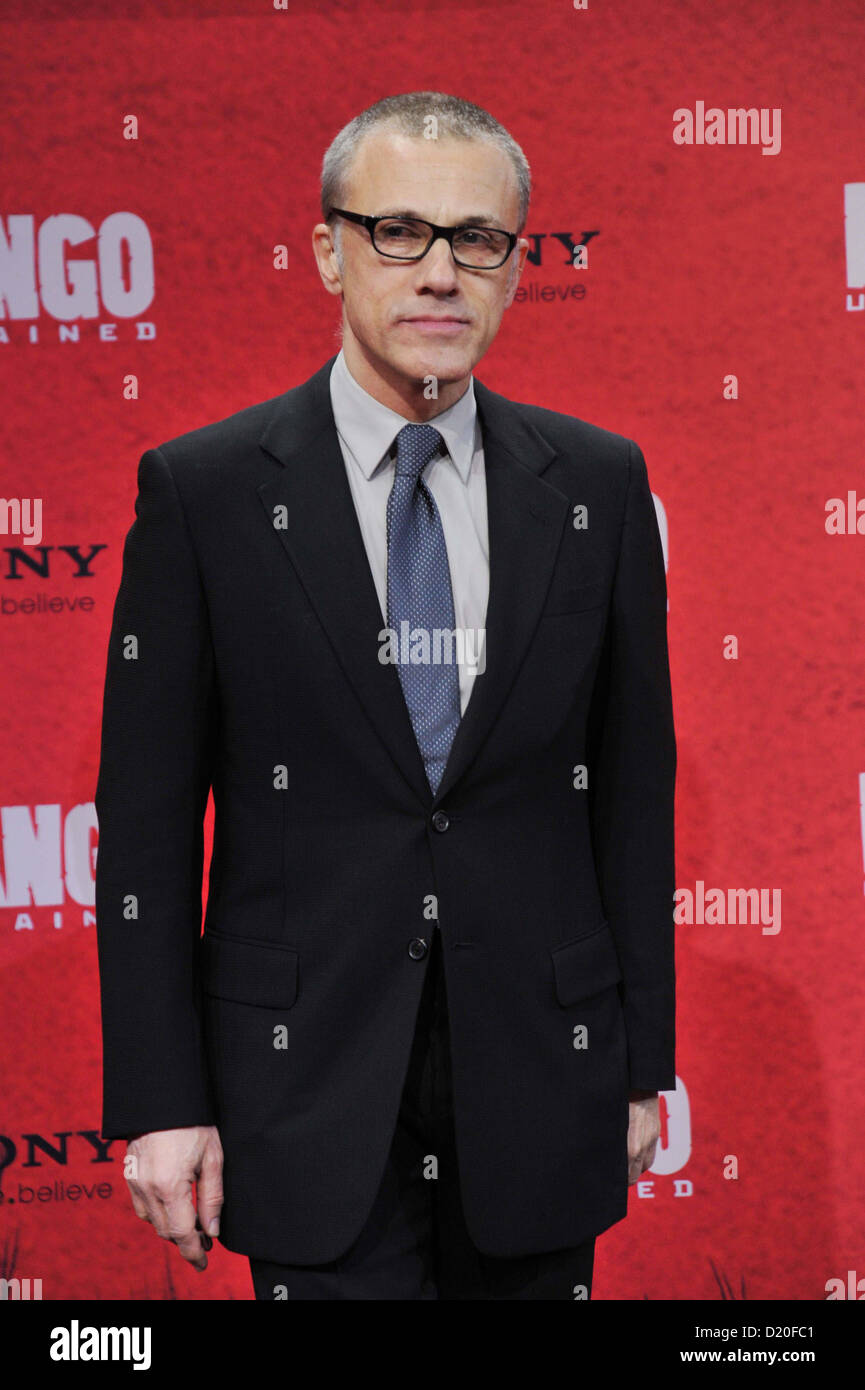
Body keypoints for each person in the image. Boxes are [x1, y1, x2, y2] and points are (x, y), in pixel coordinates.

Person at [94, 90, 676, 1301]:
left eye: (478, 240)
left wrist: (637, 1064)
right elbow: (145, 832)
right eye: (398, 231)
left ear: (519, 268)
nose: (441, 273)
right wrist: (161, 1104)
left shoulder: (597, 485)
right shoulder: (203, 494)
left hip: (537, 1075)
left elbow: (630, 798)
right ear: (327, 250)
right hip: (303, 1084)